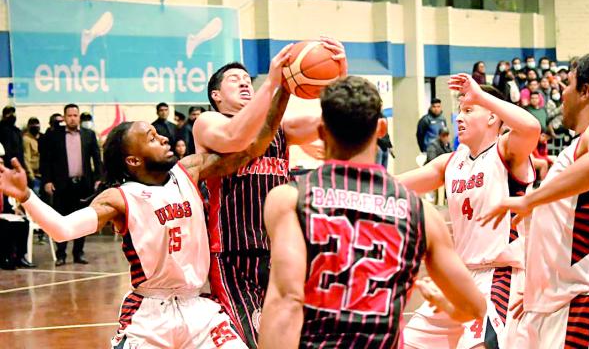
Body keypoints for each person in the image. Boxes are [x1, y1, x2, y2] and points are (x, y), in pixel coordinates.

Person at [0, 80, 291, 347]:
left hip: (199, 311)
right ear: (134, 159)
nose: (164, 139)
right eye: (152, 138)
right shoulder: (119, 199)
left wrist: (285, 89)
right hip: (150, 316)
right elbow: (62, 229)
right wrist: (26, 196)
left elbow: (253, 148)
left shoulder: (189, 171)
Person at [258, 76, 486, 349]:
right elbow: (473, 306)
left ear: (321, 131)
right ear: (380, 129)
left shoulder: (290, 200)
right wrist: (443, 303)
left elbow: (285, 301)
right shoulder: (420, 212)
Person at [194, 38, 347, 348]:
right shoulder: (209, 122)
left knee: (292, 337)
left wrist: (338, 79)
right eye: (233, 80)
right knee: (251, 341)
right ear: (216, 95)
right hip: (231, 256)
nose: (244, 83)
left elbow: (335, 119)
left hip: (279, 251)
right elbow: (236, 138)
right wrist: (276, 82)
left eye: (247, 78)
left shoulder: (281, 129)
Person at [397, 73, 539, 349]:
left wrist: (481, 95)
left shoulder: (507, 150)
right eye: (459, 111)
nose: (459, 118)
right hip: (459, 278)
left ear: (492, 117)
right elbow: (393, 185)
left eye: (469, 110)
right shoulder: (449, 162)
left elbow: (531, 128)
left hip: (499, 276)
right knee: (406, 343)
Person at [479, 51, 589, 348]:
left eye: (569, 84)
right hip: (554, 298)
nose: (562, 92)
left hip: (579, 302)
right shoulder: (578, 145)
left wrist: (528, 200)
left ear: (586, 91)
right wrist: (537, 285)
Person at [40, 104, 102, 266]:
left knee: (81, 221)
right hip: (62, 185)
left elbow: (96, 159)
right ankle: (61, 254)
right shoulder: (54, 136)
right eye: (69, 115)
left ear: (79, 117)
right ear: (64, 117)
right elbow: (46, 161)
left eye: (75, 115)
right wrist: (47, 180)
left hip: (83, 185)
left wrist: (98, 178)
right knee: (62, 219)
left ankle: (78, 253)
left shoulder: (89, 135)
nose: (73, 118)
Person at [22, 117, 42, 193]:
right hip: (34, 175)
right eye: (33, 125)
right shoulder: (26, 139)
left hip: (43, 175)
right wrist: (31, 176)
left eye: (37, 125)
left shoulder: (41, 137)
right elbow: (26, 158)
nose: (35, 127)